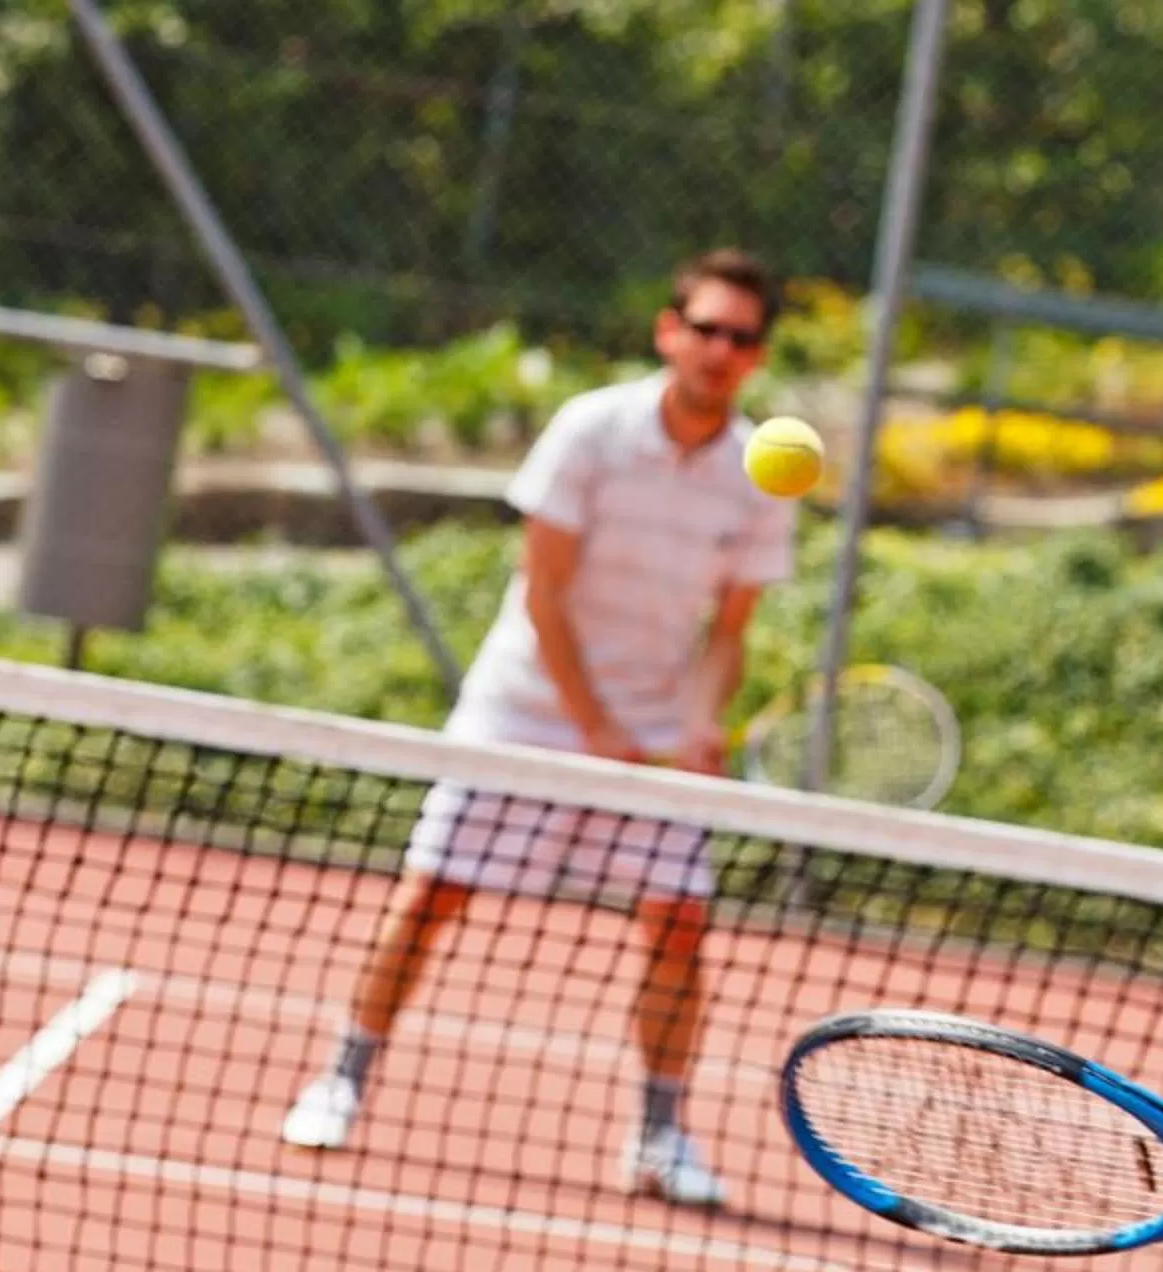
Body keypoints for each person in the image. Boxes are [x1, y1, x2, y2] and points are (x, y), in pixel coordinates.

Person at [279, 249, 799, 1208]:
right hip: (524, 704)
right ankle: (341, 1079)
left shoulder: (759, 471)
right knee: (433, 897)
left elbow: (727, 636)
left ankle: (658, 1135)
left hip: (647, 717)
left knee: (681, 924)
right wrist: (591, 722)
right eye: (709, 329)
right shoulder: (591, 430)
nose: (722, 351)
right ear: (669, 332)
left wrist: (697, 725)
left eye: (743, 337)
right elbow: (545, 591)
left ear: (758, 355)